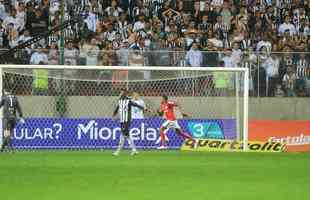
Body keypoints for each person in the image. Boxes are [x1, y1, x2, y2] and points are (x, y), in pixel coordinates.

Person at [112, 89, 150, 156]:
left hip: (127, 120)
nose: (120, 93)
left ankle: (118, 151)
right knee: (126, 135)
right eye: (120, 92)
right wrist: (113, 115)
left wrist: (145, 109)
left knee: (124, 135)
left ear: (125, 93)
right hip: (122, 120)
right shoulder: (120, 101)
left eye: (122, 92)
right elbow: (117, 108)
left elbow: (136, 105)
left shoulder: (128, 101)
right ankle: (134, 149)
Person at [0, 88, 25, 152]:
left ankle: (11, 149)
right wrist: (21, 116)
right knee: (8, 134)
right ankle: (2, 148)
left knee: (6, 134)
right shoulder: (15, 98)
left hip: (6, 118)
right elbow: (19, 108)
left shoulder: (4, 98)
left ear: (5, 91)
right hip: (13, 118)